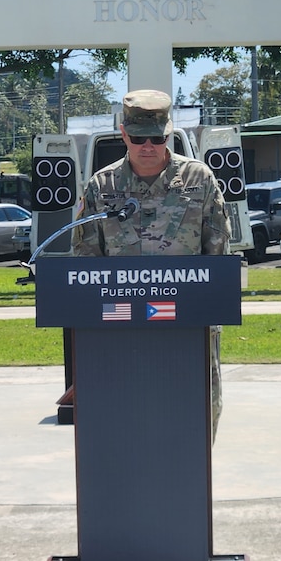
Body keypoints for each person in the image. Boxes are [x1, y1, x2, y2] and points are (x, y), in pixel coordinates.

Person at [72, 89, 231, 440]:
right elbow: (85, 256)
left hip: (189, 322)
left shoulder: (199, 181)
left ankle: (191, 481)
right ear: (124, 134)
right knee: (125, 416)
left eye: (156, 138)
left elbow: (217, 251)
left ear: (169, 134)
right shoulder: (102, 186)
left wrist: (206, 307)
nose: (148, 146)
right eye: (139, 137)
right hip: (120, 323)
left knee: (197, 412)